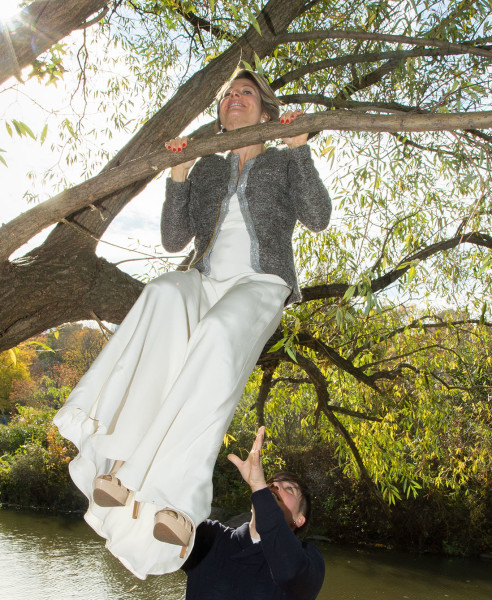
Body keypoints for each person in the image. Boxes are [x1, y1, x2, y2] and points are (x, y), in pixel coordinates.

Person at [53, 68, 331, 579]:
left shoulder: (284, 160)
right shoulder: (206, 169)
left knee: (218, 336)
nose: (234, 99)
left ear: (265, 111)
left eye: (245, 92)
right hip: (202, 279)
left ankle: (178, 502)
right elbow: (173, 239)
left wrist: (299, 147)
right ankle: (119, 465)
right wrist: (177, 175)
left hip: (261, 283)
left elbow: (317, 216)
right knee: (160, 291)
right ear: (221, 115)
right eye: (227, 95)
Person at [183, 427, 325, 600]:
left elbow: (290, 572)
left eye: (289, 489)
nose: (275, 487)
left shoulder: (309, 560)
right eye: (271, 484)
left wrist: (259, 486)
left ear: (299, 519)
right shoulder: (210, 536)